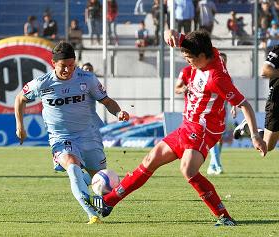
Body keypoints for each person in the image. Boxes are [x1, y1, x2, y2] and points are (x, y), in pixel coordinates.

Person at [87, 30, 267, 226]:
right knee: (149, 160)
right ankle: (108, 201)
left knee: (188, 170)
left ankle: (224, 217)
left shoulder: (216, 78)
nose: (187, 62)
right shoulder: (208, 50)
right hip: (187, 126)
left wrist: (256, 136)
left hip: (204, 129)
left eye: (189, 58)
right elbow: (173, 36)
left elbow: (245, 105)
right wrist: (169, 32)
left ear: (201, 56)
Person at [14, 41, 129, 224]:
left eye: (71, 65)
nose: (68, 70)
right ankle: (92, 214)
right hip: (61, 138)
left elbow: (106, 101)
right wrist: (20, 126)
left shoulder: (87, 79)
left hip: (89, 136)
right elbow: (20, 99)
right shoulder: (42, 83)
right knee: (73, 167)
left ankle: (95, 196)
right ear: (53, 63)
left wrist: (119, 112)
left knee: (98, 180)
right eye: (63, 66)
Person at [234, 44, 279, 152]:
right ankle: (248, 128)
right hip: (276, 101)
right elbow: (265, 70)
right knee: (267, 146)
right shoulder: (278, 49)